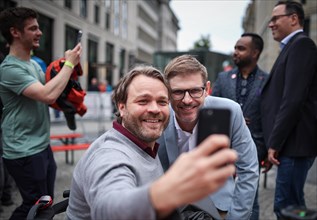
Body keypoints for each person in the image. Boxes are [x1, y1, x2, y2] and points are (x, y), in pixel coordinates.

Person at [66, 65, 238, 219]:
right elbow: (109, 208)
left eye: (162, 102)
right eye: (143, 101)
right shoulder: (109, 154)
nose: (155, 109)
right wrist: (167, 189)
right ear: (122, 107)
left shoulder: (143, 144)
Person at [0, 7, 82, 219]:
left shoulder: (33, 65)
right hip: (24, 150)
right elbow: (47, 94)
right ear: (15, 32)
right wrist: (69, 63)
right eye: (33, 28)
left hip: (41, 145)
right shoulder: (9, 68)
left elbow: (55, 94)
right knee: (34, 206)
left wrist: (69, 71)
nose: (40, 33)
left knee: (45, 204)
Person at [157, 54, 259, 219]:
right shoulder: (157, 116)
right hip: (171, 205)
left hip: (217, 204)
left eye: (195, 90)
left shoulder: (230, 111)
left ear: (207, 89)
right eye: (178, 92)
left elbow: (248, 168)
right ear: (167, 92)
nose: (187, 100)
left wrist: (237, 217)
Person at [261, 1, 317, 218]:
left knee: (287, 209)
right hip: (291, 144)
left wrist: (275, 143)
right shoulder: (292, 47)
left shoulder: (302, 45)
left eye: (276, 18)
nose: (270, 24)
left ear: (294, 19)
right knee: (293, 207)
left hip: (294, 144)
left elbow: (292, 100)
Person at [212, 33, 269, 220]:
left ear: (255, 52)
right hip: (224, 146)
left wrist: (269, 149)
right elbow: (212, 109)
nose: (235, 52)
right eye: (235, 47)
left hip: (256, 146)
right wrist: (233, 119)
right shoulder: (223, 77)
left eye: (241, 48)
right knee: (221, 193)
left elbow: (270, 115)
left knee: (250, 196)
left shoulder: (267, 80)